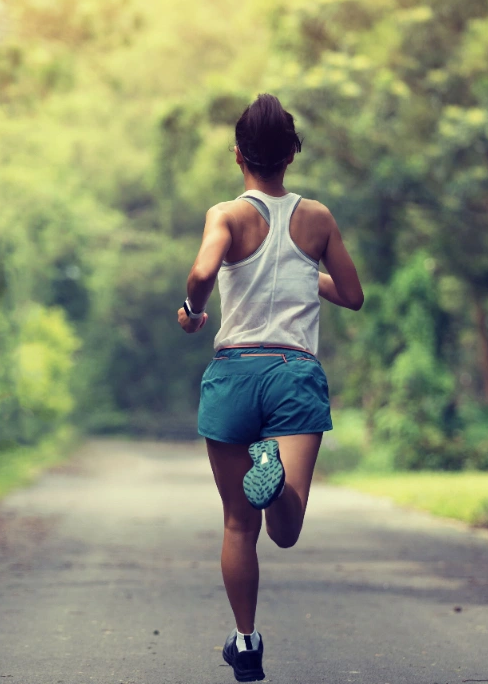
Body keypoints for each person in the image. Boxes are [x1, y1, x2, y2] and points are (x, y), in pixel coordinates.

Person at [176, 93, 364, 682]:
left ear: (239, 157)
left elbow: (204, 272)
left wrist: (191, 309)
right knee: (285, 530)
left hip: (235, 372)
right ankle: (276, 481)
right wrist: (311, 273)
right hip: (293, 373)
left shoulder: (226, 215)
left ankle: (246, 641)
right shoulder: (318, 218)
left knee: (237, 523)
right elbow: (354, 295)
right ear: (293, 153)